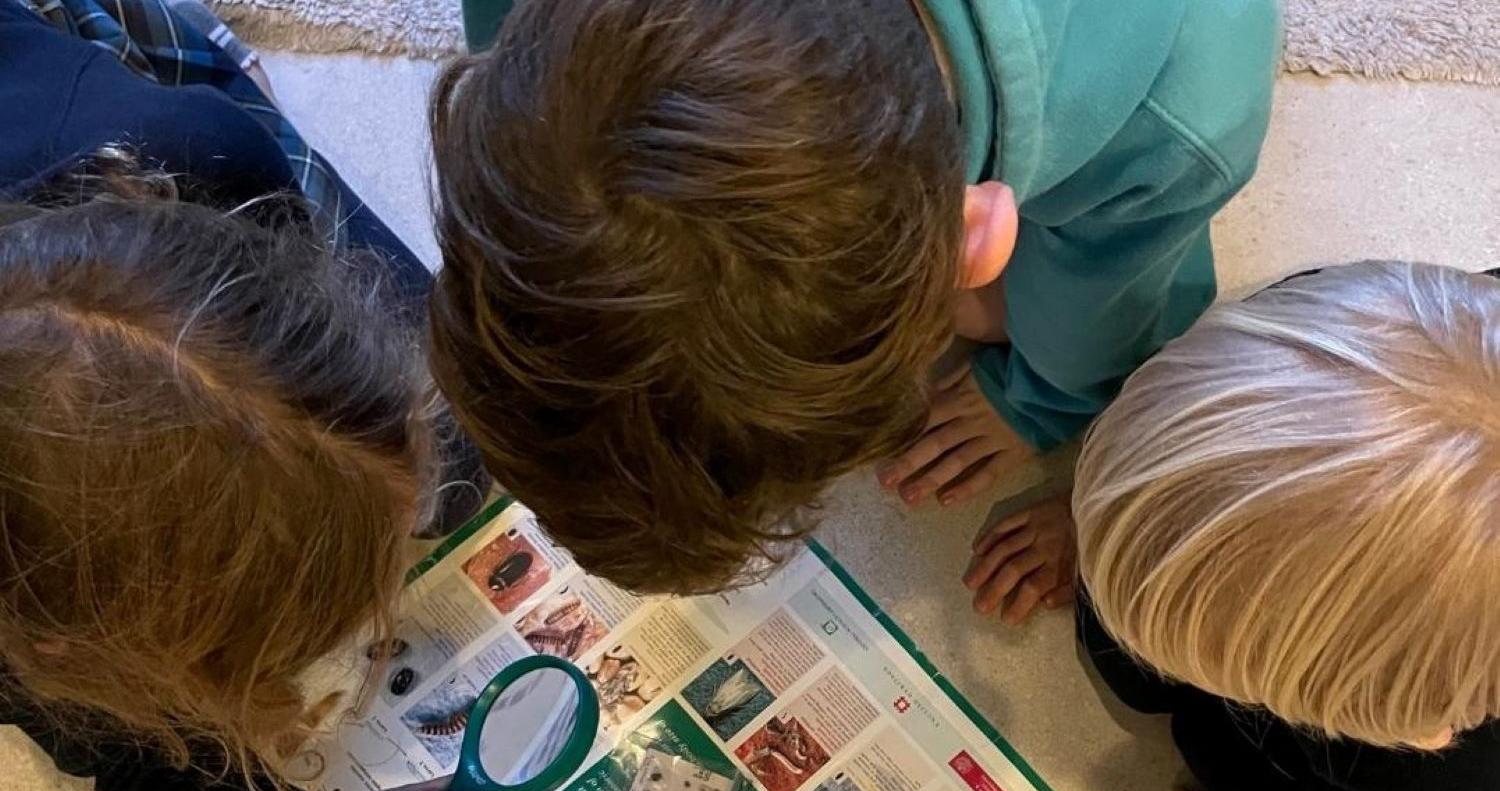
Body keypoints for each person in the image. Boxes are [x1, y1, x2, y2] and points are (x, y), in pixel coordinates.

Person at [429, 0, 1279, 598]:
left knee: (1035, 313)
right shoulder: (537, 64)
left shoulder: (1180, 118)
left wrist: (1040, 398)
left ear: (976, 237)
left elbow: (1122, 298)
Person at [0, 2, 485, 791]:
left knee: (461, 454)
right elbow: (118, 749)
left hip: (118, 126)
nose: (381, 608)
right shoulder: (30, 621)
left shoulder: (206, 156)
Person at [1067, 262, 1500, 791]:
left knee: (1227, 753)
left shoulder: (1448, 776)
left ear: (1430, 731)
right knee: (1128, 669)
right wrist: (1126, 513)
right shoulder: (1320, 331)